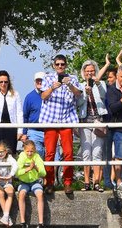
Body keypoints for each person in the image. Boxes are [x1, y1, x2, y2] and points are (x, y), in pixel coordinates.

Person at [40, 54, 80, 192]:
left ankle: (67, 182)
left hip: (66, 119)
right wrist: (52, 88)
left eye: (62, 64)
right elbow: (43, 96)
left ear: (66, 65)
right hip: (50, 120)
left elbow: (78, 94)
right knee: (50, 153)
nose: (60, 67)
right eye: (57, 64)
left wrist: (69, 84)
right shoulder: (47, 77)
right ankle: (49, 182)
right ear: (53, 65)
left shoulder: (73, 78)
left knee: (68, 152)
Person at [78, 58, 108, 191]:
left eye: (92, 71)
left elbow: (103, 96)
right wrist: (85, 92)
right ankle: (86, 182)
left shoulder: (101, 83)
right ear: (83, 73)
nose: (89, 73)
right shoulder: (79, 85)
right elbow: (78, 103)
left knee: (97, 152)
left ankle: (96, 182)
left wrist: (97, 84)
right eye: (87, 71)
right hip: (85, 122)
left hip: (98, 121)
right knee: (86, 153)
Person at [15, 138, 47, 228]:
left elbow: (43, 173)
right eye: (27, 151)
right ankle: (23, 222)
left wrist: (36, 168)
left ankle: (41, 223)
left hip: (34, 181)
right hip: (23, 182)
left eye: (31, 151)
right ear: (24, 150)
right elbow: (16, 173)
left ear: (35, 150)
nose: (29, 153)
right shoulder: (21, 158)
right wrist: (28, 169)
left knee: (40, 194)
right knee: (21, 195)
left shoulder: (37, 157)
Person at [20, 71, 46, 153]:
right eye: (37, 80)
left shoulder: (52, 95)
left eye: (41, 80)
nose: (39, 82)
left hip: (49, 130)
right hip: (34, 131)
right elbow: (25, 116)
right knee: (38, 155)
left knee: (55, 156)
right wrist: (24, 133)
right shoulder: (29, 97)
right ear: (34, 82)